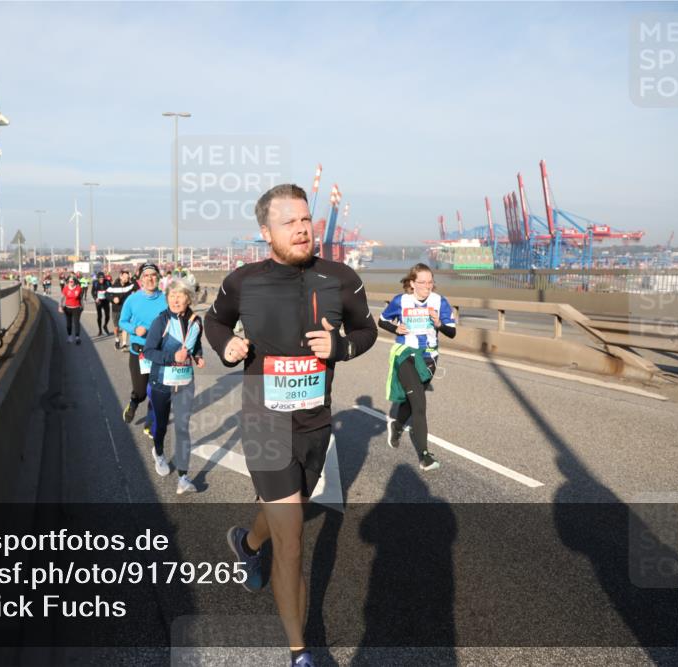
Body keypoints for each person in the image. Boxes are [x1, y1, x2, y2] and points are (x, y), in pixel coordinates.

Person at [205, 183, 377, 667]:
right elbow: (213, 322)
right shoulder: (243, 281)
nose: (303, 229)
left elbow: (369, 330)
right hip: (263, 418)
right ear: (266, 232)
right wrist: (227, 346)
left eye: (307, 220)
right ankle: (300, 653)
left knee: (290, 511)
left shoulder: (340, 277)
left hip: (316, 421)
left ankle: (246, 542)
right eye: (290, 223)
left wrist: (340, 348)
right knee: (294, 539)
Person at [379, 263, 456, 471]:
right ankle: (424, 456)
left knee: (412, 400)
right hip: (406, 354)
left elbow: (452, 332)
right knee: (420, 405)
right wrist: (396, 327)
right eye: (422, 282)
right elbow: (382, 320)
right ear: (412, 283)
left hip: (430, 357)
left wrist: (439, 324)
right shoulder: (401, 301)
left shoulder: (439, 302)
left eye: (430, 282)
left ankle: (396, 425)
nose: (427, 286)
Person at [142, 278, 204, 493]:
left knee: (183, 428)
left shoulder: (197, 321)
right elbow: (148, 351)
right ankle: (158, 452)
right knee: (160, 425)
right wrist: (171, 356)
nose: (175, 299)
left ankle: (183, 477)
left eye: (180, 295)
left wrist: (198, 355)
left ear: (189, 298)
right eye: (171, 296)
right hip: (161, 382)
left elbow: (195, 343)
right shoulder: (161, 321)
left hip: (185, 382)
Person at [118, 263, 167, 439]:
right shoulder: (132, 300)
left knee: (157, 391)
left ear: (158, 278)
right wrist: (134, 329)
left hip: (160, 352)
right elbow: (122, 321)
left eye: (153, 275)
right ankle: (133, 402)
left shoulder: (166, 299)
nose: (150, 278)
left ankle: (150, 422)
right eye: (146, 275)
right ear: (140, 280)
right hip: (138, 352)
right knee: (140, 391)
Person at [108, 269, 136, 351]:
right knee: (116, 327)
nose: (126, 279)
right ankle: (117, 340)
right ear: (121, 276)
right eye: (124, 277)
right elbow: (107, 294)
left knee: (125, 326)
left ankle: (124, 344)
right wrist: (113, 299)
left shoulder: (129, 285)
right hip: (116, 309)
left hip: (126, 310)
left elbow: (137, 287)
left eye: (127, 277)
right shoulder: (114, 286)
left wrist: (132, 278)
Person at [59, 275, 84, 345]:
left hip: (76, 308)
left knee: (76, 322)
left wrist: (82, 306)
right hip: (67, 308)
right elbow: (61, 298)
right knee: (68, 323)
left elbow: (81, 298)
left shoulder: (79, 288)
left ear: (75, 282)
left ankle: (77, 337)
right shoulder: (66, 288)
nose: (70, 282)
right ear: (68, 282)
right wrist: (60, 306)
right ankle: (69, 337)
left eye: (72, 281)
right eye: (69, 281)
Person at [91, 271, 113, 336]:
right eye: (100, 279)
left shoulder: (107, 282)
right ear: (98, 279)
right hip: (99, 301)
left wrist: (110, 297)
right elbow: (92, 292)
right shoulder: (95, 283)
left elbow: (112, 290)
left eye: (103, 278)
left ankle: (105, 326)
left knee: (108, 316)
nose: (101, 280)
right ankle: (100, 330)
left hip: (106, 301)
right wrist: (95, 298)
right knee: (99, 316)